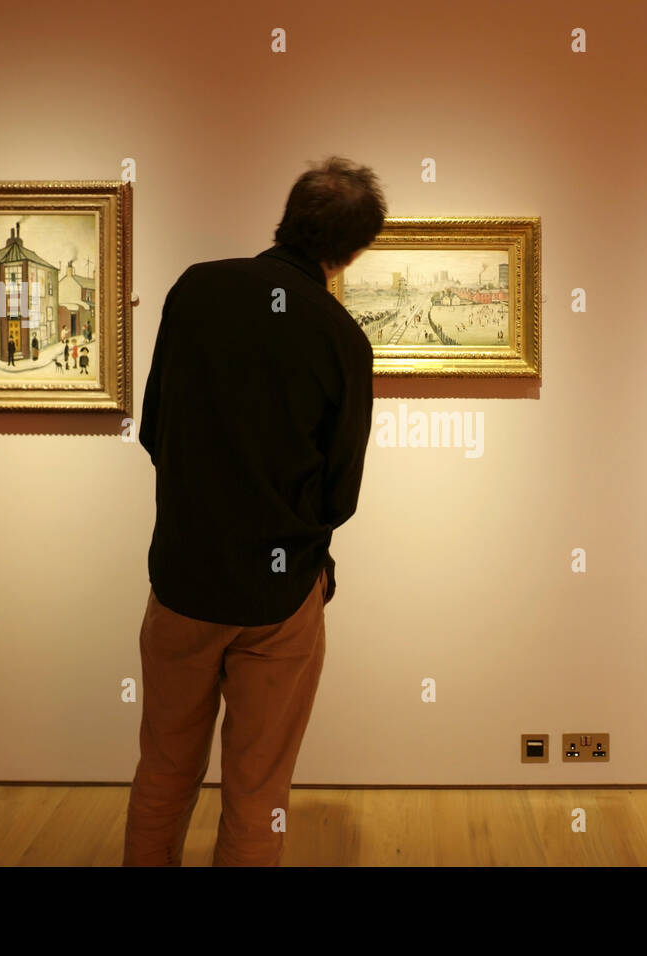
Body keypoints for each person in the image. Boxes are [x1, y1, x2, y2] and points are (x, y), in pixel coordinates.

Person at [125, 155, 385, 867]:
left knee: (164, 769)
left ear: (288, 215)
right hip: (278, 596)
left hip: (182, 579)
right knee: (258, 786)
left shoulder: (196, 289)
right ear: (355, 250)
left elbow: (154, 431)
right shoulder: (343, 341)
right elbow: (342, 495)